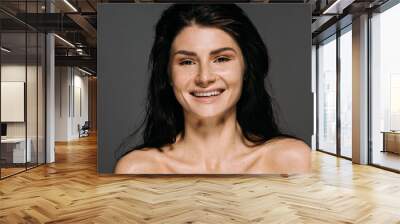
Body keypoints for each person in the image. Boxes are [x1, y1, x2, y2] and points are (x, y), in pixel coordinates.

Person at [115, 4, 311, 174]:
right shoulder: (136, 168)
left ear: (246, 67)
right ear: (168, 75)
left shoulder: (291, 160)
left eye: (221, 59)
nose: (204, 78)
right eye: (187, 61)